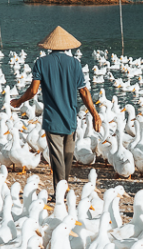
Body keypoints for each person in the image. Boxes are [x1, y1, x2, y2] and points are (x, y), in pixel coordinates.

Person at [9, 25, 102, 194]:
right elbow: (84, 91)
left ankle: (61, 192)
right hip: (70, 118)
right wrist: (95, 114)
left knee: (58, 158)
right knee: (67, 157)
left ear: (49, 46)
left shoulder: (41, 63)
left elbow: (33, 90)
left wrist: (20, 100)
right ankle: (63, 190)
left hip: (53, 119)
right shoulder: (75, 64)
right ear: (67, 46)